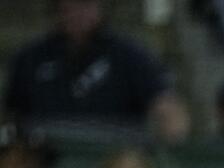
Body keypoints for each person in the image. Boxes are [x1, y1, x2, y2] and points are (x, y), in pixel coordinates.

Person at [3, 0, 188, 141]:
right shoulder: (31, 57)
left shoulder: (130, 55)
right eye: (70, 6)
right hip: (46, 156)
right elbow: (11, 115)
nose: (77, 13)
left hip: (114, 158)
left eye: (85, 5)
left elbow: (168, 109)